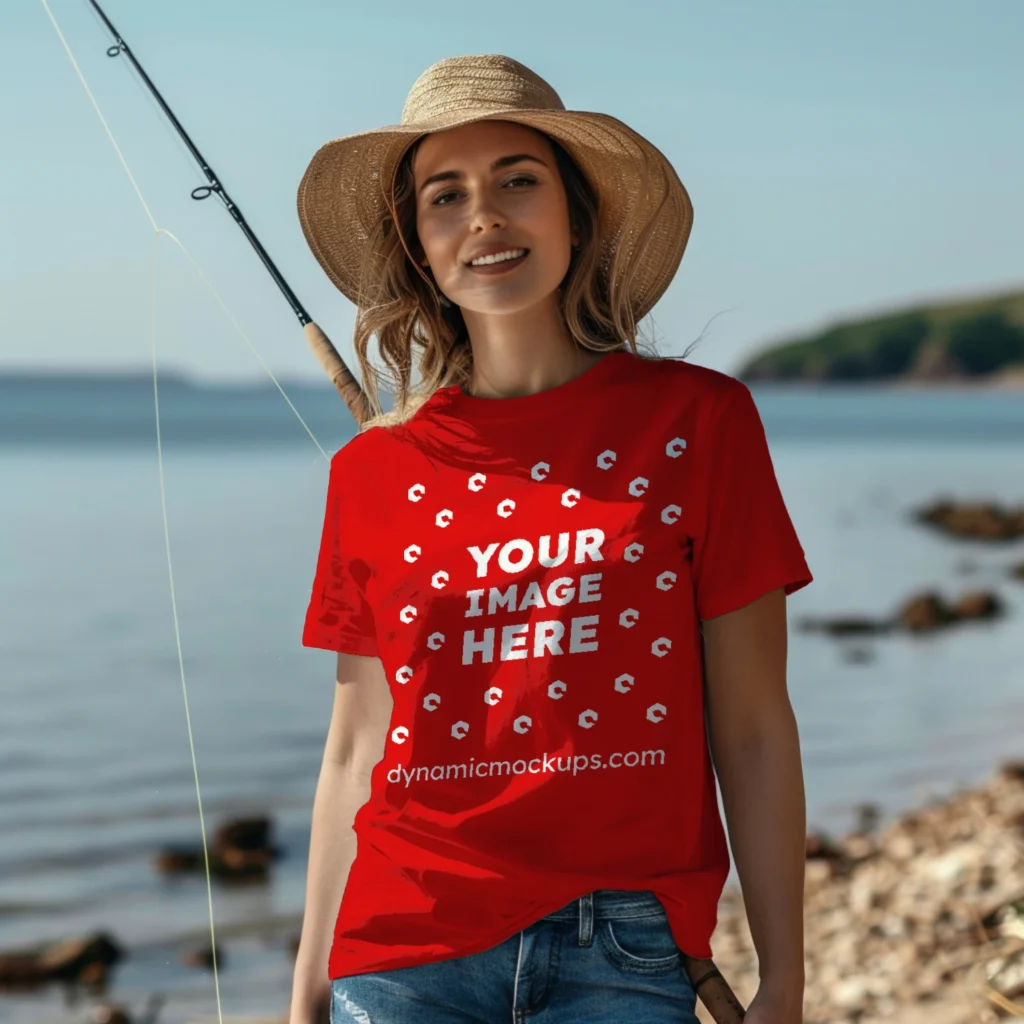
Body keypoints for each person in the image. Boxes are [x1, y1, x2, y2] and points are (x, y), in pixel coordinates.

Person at [289, 54, 813, 1024]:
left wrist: (782, 976)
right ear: (418, 245)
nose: (483, 216)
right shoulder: (369, 470)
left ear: (576, 213)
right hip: (402, 943)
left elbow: (751, 722)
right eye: (446, 196)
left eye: (516, 181)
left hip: (621, 942)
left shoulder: (699, 423)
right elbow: (353, 749)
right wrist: (305, 991)